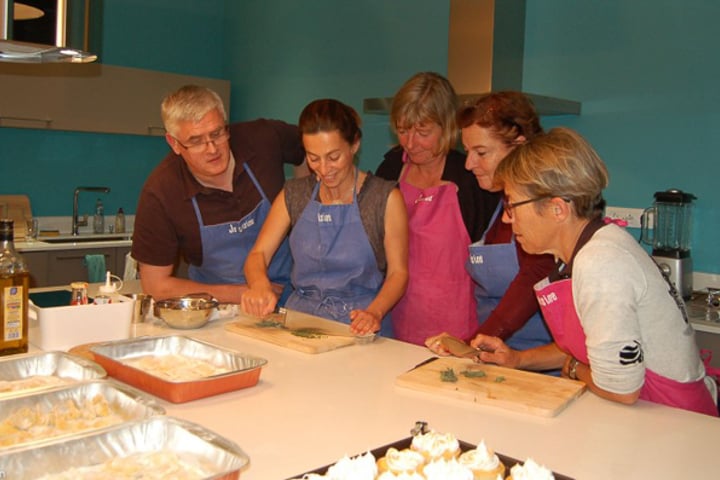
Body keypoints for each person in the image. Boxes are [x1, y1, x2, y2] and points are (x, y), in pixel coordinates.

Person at [470, 127, 718, 416]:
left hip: (671, 418)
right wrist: (517, 359)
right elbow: (598, 347)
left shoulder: (600, 262)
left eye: (511, 205)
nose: (506, 218)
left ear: (557, 209)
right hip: (650, 412)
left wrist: (575, 369)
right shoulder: (587, 249)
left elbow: (620, 388)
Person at [242, 99, 408, 336]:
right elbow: (258, 255)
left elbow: (398, 273)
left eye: (333, 157)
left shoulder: (384, 198)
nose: (323, 168)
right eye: (313, 158)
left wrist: (375, 313)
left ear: (354, 145)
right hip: (301, 322)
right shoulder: (294, 194)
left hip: (360, 324)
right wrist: (260, 285)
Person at [132, 85, 305, 303]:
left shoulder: (264, 138)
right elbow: (155, 286)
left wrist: (306, 205)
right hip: (219, 307)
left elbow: (313, 147)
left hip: (296, 296)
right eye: (195, 141)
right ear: (174, 143)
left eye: (217, 134)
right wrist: (241, 294)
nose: (212, 149)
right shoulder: (161, 193)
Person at [425, 92, 555, 356]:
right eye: (468, 151)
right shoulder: (498, 203)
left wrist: (474, 342)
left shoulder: (542, 209)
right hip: (497, 355)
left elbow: (534, 277)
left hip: (537, 364)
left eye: (481, 152)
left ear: (518, 146)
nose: (469, 163)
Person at [376, 72, 499, 345]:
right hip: (395, 318)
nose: (410, 142)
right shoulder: (390, 169)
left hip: (456, 323)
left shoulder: (470, 179)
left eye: (422, 132)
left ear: (447, 127)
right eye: (403, 129)